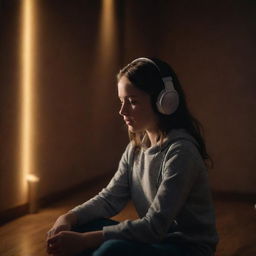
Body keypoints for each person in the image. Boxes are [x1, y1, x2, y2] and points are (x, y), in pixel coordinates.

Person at [46, 57, 219, 256]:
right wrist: (69, 217)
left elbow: (153, 227)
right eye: (121, 101)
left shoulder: (181, 152)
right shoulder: (135, 148)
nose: (122, 111)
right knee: (76, 228)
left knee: (110, 249)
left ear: (165, 101)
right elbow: (109, 199)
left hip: (187, 248)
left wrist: (86, 241)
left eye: (133, 101)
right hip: (157, 241)